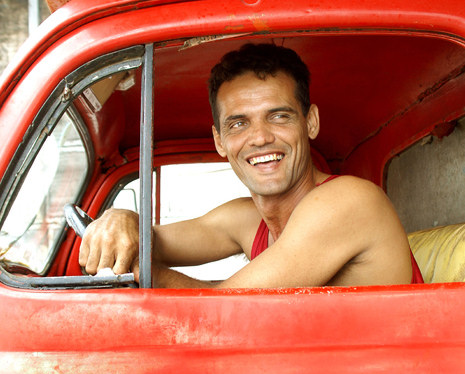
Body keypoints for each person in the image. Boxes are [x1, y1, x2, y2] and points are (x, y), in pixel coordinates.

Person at [79, 43, 422, 287]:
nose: (259, 138)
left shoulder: (349, 201)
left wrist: (136, 269)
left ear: (311, 122)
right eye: (239, 123)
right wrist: (120, 218)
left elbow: (229, 312)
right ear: (220, 142)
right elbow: (151, 239)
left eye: (278, 116)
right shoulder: (247, 219)